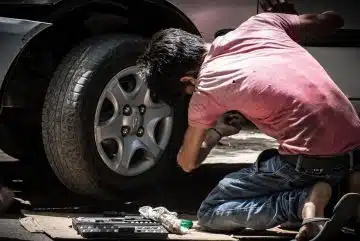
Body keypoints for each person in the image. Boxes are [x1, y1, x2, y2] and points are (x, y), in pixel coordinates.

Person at [136, 1, 360, 240]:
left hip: (309, 161)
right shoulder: (261, 23)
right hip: (354, 145)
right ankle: (348, 186)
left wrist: (216, 133)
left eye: (187, 92)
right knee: (269, 159)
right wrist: (287, 17)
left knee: (211, 211)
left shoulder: (205, 90)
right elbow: (333, 20)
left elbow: (188, 162)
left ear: (186, 81)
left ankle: (303, 202)